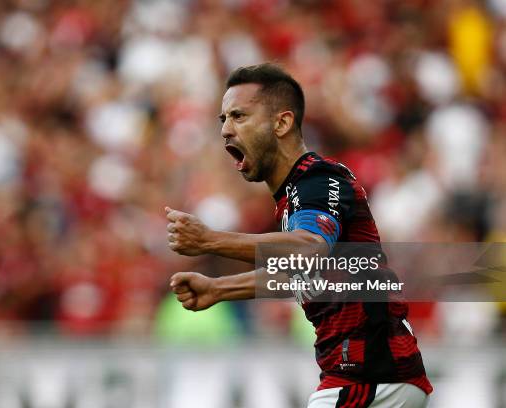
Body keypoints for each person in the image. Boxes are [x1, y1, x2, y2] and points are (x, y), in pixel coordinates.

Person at [165, 63, 432, 407]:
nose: (226, 131)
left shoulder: (318, 179)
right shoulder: (295, 197)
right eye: (224, 120)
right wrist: (219, 289)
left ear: (282, 123)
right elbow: (306, 274)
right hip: (372, 373)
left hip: (371, 373)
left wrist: (209, 240)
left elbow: (309, 252)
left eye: (239, 116)